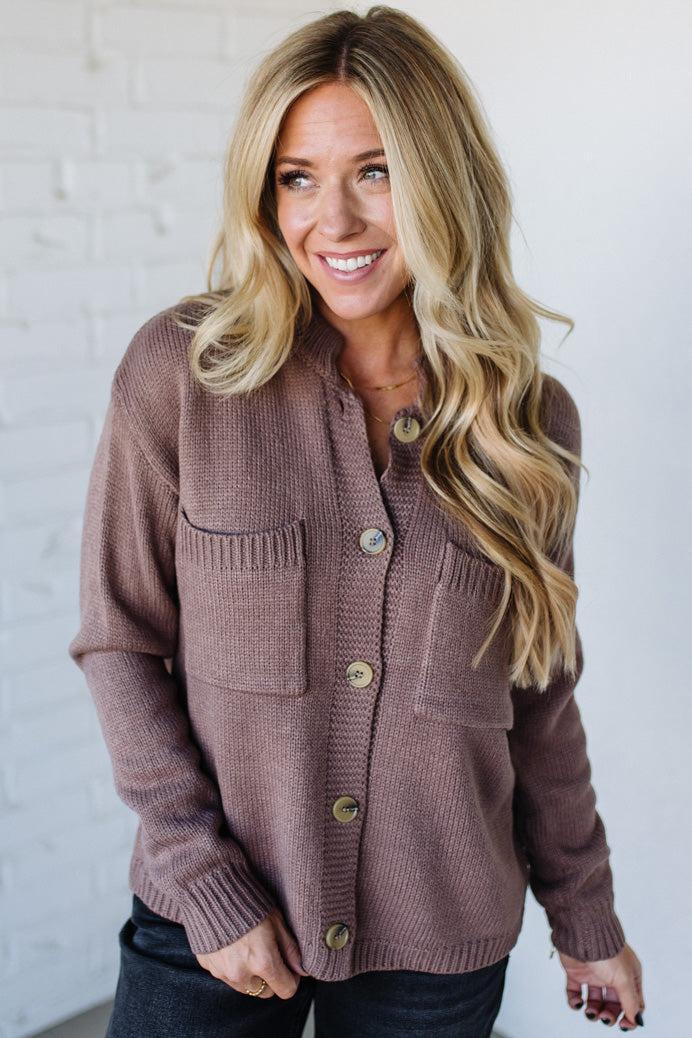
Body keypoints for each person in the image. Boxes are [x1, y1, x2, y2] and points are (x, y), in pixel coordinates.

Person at [67, 6, 646, 1036]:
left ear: (443, 179)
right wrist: (203, 880)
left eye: (374, 172)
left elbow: (539, 697)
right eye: (296, 177)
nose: (331, 221)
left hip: (439, 946)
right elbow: (120, 641)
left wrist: (585, 914)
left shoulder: (526, 423)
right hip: (214, 925)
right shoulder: (185, 376)